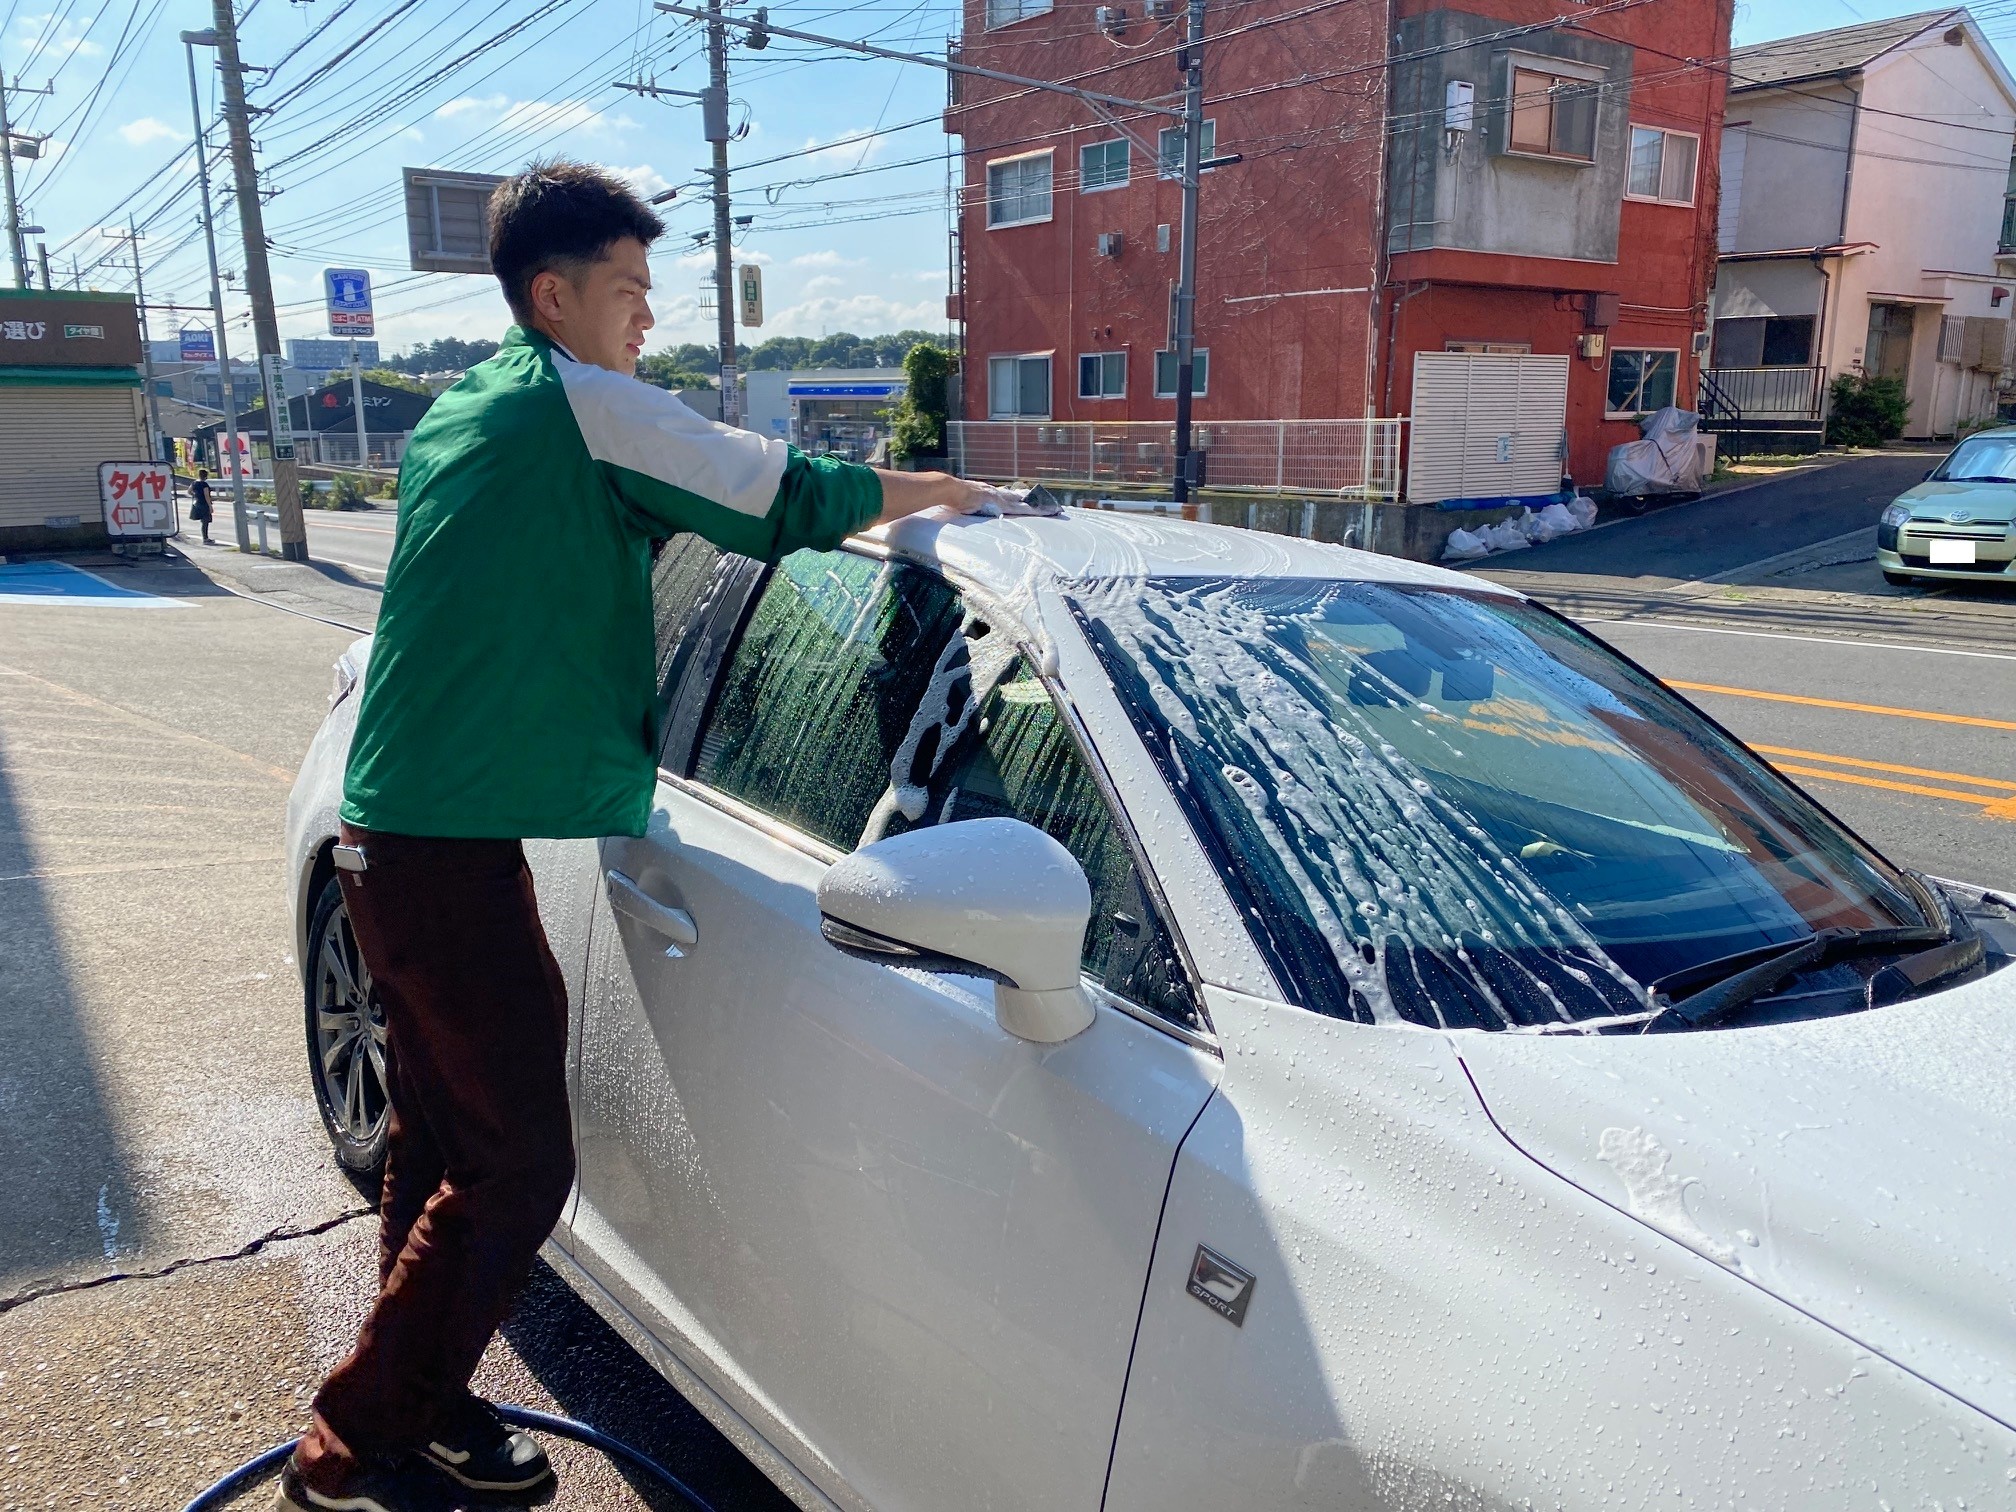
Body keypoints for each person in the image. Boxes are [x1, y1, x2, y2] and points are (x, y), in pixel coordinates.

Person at [277, 162, 1011, 1512]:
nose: (648, 319)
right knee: (521, 1165)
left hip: (410, 831)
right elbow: (777, 494)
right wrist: (938, 493)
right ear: (553, 296)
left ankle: (424, 1404)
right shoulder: (580, 403)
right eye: (628, 290)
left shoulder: (475, 406)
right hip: (438, 844)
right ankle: (352, 1439)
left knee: (445, 1140)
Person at [188, 468, 213, 545]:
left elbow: (189, 491)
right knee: (205, 522)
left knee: (203, 522)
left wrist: (195, 495)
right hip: (204, 504)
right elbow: (206, 495)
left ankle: (205, 537)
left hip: (197, 503)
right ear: (206, 476)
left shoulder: (194, 483)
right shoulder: (204, 484)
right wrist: (210, 506)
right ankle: (205, 538)